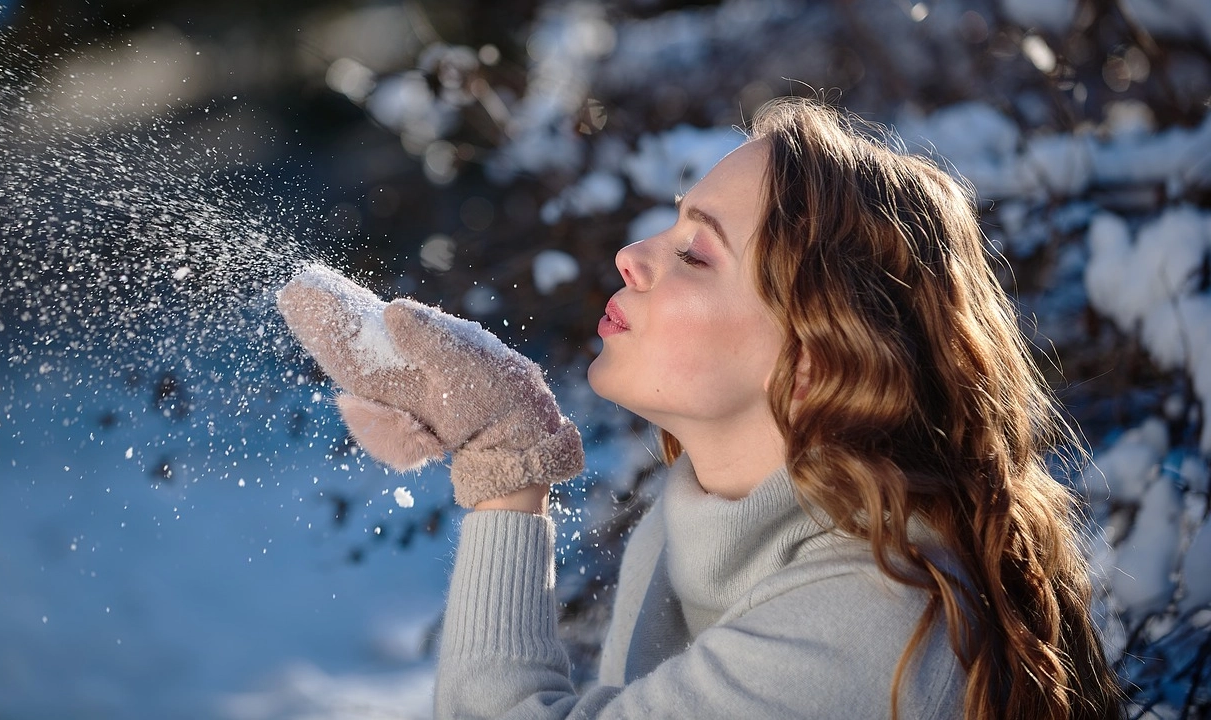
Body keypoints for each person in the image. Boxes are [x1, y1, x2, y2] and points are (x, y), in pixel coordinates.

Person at [277, 97, 1122, 719]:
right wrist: (506, 449)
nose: (634, 255)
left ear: (812, 359)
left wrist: (507, 466)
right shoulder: (699, 526)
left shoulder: (873, 626)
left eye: (695, 252)